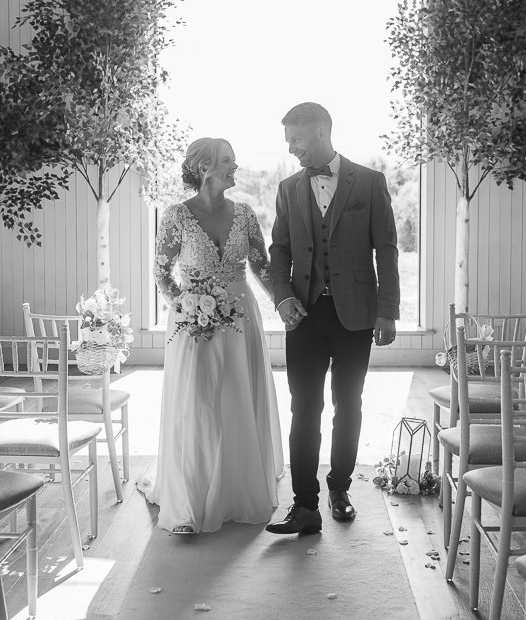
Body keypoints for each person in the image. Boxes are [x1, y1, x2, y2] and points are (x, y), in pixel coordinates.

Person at [138, 137, 284, 534]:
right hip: (192, 322)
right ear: (204, 168)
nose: (235, 168)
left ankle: (237, 487)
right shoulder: (175, 216)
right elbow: (161, 273)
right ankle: (188, 500)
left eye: (235, 161)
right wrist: (183, 305)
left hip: (241, 318)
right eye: (227, 162)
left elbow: (261, 265)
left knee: (237, 396)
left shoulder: (246, 214)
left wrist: (282, 302)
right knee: (197, 403)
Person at [266, 102, 400, 535]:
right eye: (288, 142)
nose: (292, 150)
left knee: (349, 407)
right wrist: (282, 298)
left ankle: (339, 488)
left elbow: (387, 249)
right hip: (304, 315)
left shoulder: (370, 182)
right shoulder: (288, 189)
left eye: (297, 140)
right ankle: (304, 504)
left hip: (356, 315)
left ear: (321, 131)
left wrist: (387, 311)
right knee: (304, 409)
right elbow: (279, 251)